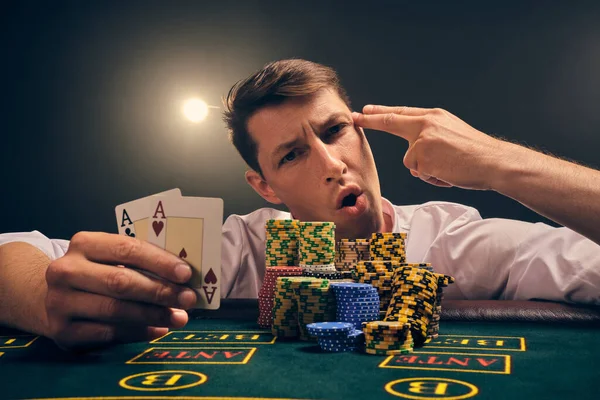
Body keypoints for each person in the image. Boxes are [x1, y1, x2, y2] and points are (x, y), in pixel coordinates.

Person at [1, 59, 599, 351]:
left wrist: (501, 162)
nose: (329, 163)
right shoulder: (238, 247)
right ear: (265, 187)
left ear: (364, 137)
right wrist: (43, 293)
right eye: (291, 156)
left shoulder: (456, 242)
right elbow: (12, 250)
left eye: (335, 131)